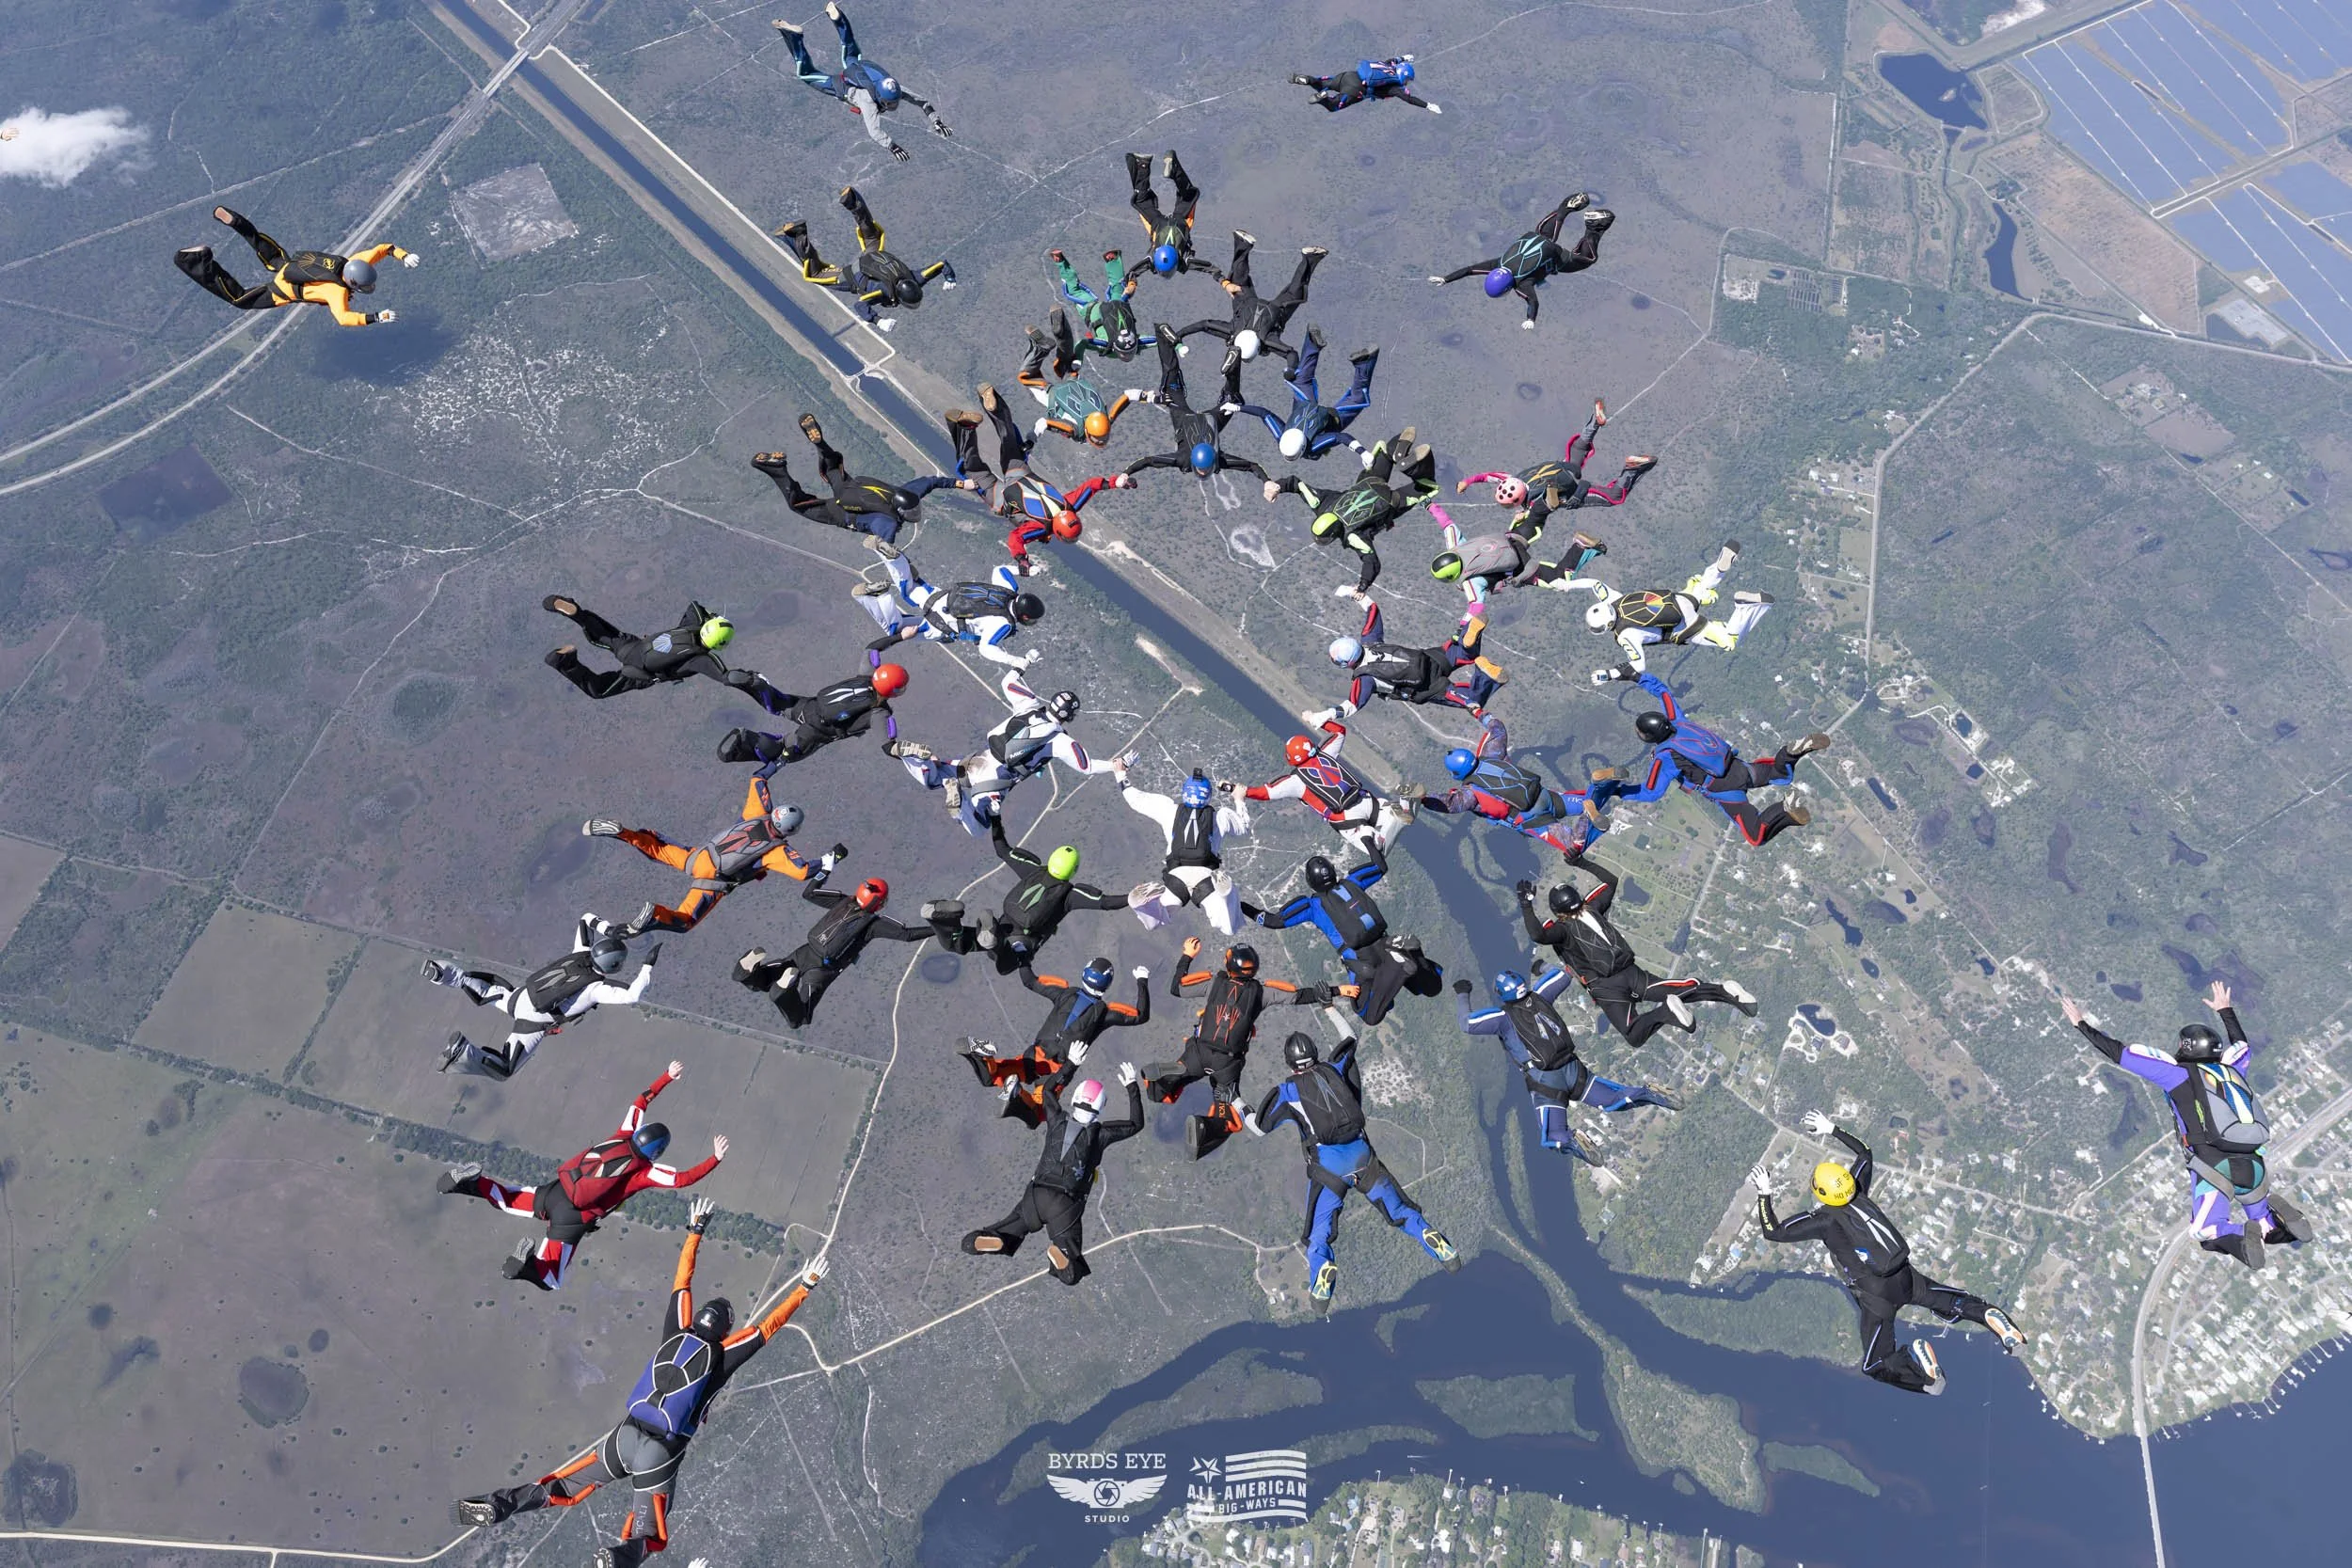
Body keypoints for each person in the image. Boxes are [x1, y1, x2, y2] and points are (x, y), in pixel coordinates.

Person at [453, 1198, 826, 1566]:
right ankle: (616, 1561)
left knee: (564, 1487)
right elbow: (767, 1328)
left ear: (698, 1318)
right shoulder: (722, 1357)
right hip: (658, 1452)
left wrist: (696, 1229)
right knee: (650, 1537)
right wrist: (804, 1287)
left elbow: (683, 1279)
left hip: (624, 1437)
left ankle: (501, 1504)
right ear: (726, 1330)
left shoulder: (675, 1333)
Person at [1751, 1114, 2027, 1394]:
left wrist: (1764, 1193)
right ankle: (1999, 1325)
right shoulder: (1858, 1190)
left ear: (1822, 1193)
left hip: (1876, 1297)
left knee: (1875, 1364)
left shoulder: (1824, 1220)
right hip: (1906, 1277)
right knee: (1954, 1303)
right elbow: (1865, 1153)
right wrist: (1830, 1129)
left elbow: (1773, 1231)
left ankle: (1924, 1374)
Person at [2059, 982, 2313, 1269]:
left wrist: (2081, 1023)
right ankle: (2283, 1226)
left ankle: (2243, 1236)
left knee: (2206, 1231)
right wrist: (2226, 1011)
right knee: (2263, 1227)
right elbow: (2242, 1047)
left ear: (2185, 1048)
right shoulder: (2232, 1070)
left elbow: (2120, 1053)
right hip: (2253, 1166)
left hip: (2214, 1166)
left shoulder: (2176, 1074)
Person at [437, 1063, 724, 1290]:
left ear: (638, 1133)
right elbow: (684, 1179)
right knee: (551, 1279)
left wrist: (667, 1076)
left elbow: (640, 1103)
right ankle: (527, 1266)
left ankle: (470, 1183)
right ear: (657, 1152)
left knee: (508, 1199)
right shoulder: (645, 1171)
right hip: (573, 1218)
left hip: (557, 1190)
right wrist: (715, 1159)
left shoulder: (623, 1134)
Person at [1254, 1034, 1458, 1311]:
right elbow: (1349, 1039)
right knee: (1400, 1212)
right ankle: (1435, 1243)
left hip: (1330, 1169)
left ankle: (1322, 1275)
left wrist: (1233, 1100)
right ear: (1315, 1053)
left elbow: (1258, 1125)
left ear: (1290, 1064)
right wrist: (1329, 1007)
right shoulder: (1333, 1069)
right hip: (1364, 1157)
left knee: (1318, 1236)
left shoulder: (1288, 1091)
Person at [1517, 863, 1757, 1044]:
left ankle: (1665, 1012)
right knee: (1677, 989)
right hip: (1631, 972)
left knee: (1633, 1033)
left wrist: (1526, 905)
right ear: (1577, 898)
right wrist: (1580, 861)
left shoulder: (1562, 930)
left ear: (1557, 911)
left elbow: (1538, 935)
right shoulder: (1593, 908)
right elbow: (1611, 880)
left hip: (1606, 987)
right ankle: (1725, 991)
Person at [1456, 972, 1677, 1167]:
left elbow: (1467, 1023)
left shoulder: (1502, 1018)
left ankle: (1570, 1139)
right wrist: (1540, 966)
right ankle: (1646, 1092)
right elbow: (1564, 974)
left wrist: (1462, 993)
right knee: (1614, 1099)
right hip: (1574, 1069)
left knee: (1553, 1136)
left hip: (1546, 1081)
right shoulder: (1541, 996)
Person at [1146, 938, 1340, 1159]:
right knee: (1225, 1115)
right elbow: (1299, 996)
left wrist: (1187, 955)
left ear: (1229, 965)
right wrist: (1337, 990)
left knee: (1158, 1093)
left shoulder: (1214, 983)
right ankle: (1203, 1131)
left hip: (1198, 1054)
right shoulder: (1262, 993)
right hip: (1226, 1064)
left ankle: (1168, 1078)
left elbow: (1177, 988)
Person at [582, 777, 839, 937]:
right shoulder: (777, 850)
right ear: (791, 830)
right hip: (712, 881)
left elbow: (758, 780)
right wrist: (828, 860)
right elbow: (802, 871)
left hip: (699, 856)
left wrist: (781, 757)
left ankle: (623, 833)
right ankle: (657, 915)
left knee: (657, 848)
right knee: (685, 922)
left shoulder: (758, 812)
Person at [963, 1063, 1144, 1286]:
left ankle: (992, 1239)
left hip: (1036, 1196)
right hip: (1065, 1206)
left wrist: (1071, 1065)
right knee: (1071, 1273)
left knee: (1011, 1226)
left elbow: (1048, 1091)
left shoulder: (1057, 1119)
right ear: (1102, 1105)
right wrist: (1131, 1085)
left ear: (1075, 1098)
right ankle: (1062, 1255)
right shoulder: (1100, 1135)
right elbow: (1136, 1124)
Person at [422, 914, 659, 1081]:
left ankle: (446, 973)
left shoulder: (581, 953)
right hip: (535, 1020)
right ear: (615, 967)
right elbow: (632, 996)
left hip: (523, 996)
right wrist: (647, 966)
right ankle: (463, 1053)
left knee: (489, 991)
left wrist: (611, 930)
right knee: (505, 1069)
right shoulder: (597, 989)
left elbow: (586, 918)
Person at [1606, 672, 1830, 847]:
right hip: (1738, 767)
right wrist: (1636, 677)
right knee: (1778, 774)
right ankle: (1791, 753)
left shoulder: (1665, 757)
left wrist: (1616, 791)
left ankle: (1784, 808)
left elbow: (1651, 792)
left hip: (1724, 789)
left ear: (1650, 738)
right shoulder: (1678, 720)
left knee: (1756, 836)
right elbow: (1662, 691)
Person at [895, 671, 1127, 835]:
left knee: (935, 778)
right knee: (979, 825)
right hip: (996, 780)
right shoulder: (1060, 740)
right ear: (1070, 716)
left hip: (978, 760)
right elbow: (1087, 766)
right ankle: (960, 803)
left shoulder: (1030, 705)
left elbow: (1009, 681)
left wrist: (1023, 663)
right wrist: (1117, 764)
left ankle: (918, 760)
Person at [942, 385, 1136, 573]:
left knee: (1008, 436)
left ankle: (996, 408)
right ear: (1058, 533)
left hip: (1020, 472)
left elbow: (1092, 486)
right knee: (972, 470)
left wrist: (1116, 483)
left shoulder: (1070, 505)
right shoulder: (1041, 528)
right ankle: (967, 427)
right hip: (1001, 498)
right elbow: (1015, 538)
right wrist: (1022, 560)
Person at [1253, 851, 1443, 1027]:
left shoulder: (1312, 905)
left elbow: (1273, 921)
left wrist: (1242, 907)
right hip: (1385, 943)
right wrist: (1368, 839)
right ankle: (1408, 953)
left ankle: (1396, 962)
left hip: (1360, 962)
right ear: (1333, 872)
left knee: (1369, 1014)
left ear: (1311, 881)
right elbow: (1380, 866)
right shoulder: (1353, 882)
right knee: (1433, 988)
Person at [960, 959, 1152, 1125]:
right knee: (1040, 1112)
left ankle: (985, 1058)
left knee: (992, 1078)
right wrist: (1142, 980)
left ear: (1084, 973)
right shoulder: (1104, 1013)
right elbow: (1140, 1016)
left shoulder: (1063, 992)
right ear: (1107, 985)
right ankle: (1016, 1092)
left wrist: (1021, 952)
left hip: (1034, 1056)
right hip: (1057, 1068)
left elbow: (1029, 980)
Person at [928, 819, 1126, 973]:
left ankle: (941, 920)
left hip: (1003, 925)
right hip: (1020, 939)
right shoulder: (1070, 895)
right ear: (1073, 870)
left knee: (958, 944)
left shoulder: (1033, 870)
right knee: (1005, 966)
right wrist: (1133, 897)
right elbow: (1106, 903)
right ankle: (993, 942)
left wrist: (995, 817)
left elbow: (1002, 849)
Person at [735, 876, 931, 1028]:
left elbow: (809, 893)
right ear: (878, 903)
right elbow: (907, 935)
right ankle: (783, 991)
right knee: (800, 1018)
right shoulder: (873, 924)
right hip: (821, 970)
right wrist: (937, 928)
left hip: (803, 952)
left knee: (765, 979)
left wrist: (827, 867)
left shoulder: (843, 902)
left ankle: (748, 972)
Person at [1568, 540, 1773, 686]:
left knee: (1730, 640)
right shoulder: (1613, 600)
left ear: (1605, 627)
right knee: (1701, 585)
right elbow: (1593, 583)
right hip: (1677, 600)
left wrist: (1609, 675)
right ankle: (1719, 568)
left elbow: (1638, 666)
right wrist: (1566, 585)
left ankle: (1743, 606)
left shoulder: (1626, 635)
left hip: (1686, 626)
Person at [174, 205, 417, 326]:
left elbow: (384, 248)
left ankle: (234, 220)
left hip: (289, 264)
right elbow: (344, 319)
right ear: (353, 282)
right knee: (239, 299)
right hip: (281, 290)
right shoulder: (337, 292)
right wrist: (376, 317)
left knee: (257, 239)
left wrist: (403, 255)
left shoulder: (356, 260)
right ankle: (193, 260)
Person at [1266, 429, 1438, 594]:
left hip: (1391, 502)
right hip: (1369, 481)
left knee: (1426, 487)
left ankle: (1412, 467)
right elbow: (1297, 484)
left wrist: (1362, 586)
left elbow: (1372, 562)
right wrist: (1278, 487)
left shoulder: (1351, 536)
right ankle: (1398, 453)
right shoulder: (1321, 504)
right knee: (1385, 452)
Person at [1419, 713, 1612, 861]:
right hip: (1546, 796)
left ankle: (1587, 816)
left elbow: (1449, 804)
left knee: (1574, 845)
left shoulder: (1470, 793)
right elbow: (1499, 730)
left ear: (1456, 773)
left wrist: (1423, 799)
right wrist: (1481, 714)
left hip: (1532, 819)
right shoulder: (1492, 754)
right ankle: (1598, 785)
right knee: (1592, 800)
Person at [773, 4, 949, 162]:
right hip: (842, 86)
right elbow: (874, 132)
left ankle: (838, 18)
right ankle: (795, 37)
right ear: (880, 97)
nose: (894, 105)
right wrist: (892, 146)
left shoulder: (893, 88)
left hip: (858, 67)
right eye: (890, 103)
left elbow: (922, 102)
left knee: (849, 46)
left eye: (894, 101)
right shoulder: (869, 103)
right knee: (806, 74)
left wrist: (936, 120)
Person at [1457, 398, 1654, 540]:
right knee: (1578, 448)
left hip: (1573, 491)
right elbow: (1487, 476)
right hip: (1564, 468)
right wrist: (1467, 482)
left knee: (1614, 496)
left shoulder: (1534, 502)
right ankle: (1594, 422)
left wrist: (1520, 518)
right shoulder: (1511, 478)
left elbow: (1535, 516)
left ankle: (1631, 468)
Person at [750, 414, 957, 545]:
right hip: (839, 513)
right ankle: (777, 469)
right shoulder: (888, 523)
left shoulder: (905, 493)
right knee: (798, 504)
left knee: (832, 469)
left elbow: (931, 482)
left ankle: (821, 445)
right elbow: (886, 544)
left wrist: (960, 483)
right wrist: (892, 554)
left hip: (851, 489)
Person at [541, 595, 780, 705]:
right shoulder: (700, 659)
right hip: (637, 672)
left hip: (634, 646)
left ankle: (577, 612)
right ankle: (564, 662)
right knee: (599, 691)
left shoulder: (692, 626)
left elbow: (694, 606)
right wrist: (752, 679)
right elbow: (726, 677)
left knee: (605, 635)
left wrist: (711, 617)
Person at [772, 185, 954, 328]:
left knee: (871, 233)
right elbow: (860, 305)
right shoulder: (883, 291)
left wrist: (949, 276)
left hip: (874, 255)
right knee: (816, 274)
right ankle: (796, 234)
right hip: (854, 276)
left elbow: (939, 265)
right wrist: (877, 321)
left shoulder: (916, 278)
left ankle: (851, 198)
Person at [1310, 592, 1504, 722]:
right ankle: (1468, 639)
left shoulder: (1365, 679)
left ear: (1346, 664)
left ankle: (1485, 675)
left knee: (1473, 700)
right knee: (1461, 653)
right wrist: (1355, 593)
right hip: (1430, 659)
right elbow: (1373, 611)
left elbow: (1351, 706)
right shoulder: (1371, 641)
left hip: (1427, 688)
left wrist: (1321, 716)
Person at [853, 539, 1042, 672]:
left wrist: (1026, 571)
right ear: (1024, 616)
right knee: (896, 632)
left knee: (909, 587)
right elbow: (986, 648)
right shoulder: (1004, 624)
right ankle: (879, 597)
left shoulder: (1008, 591)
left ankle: (894, 559)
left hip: (942, 596)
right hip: (941, 624)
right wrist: (1014, 661)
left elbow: (999, 570)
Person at [1430, 192, 1613, 327]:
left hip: (1556, 257)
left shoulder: (1522, 283)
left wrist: (1530, 320)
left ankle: (1594, 226)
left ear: (1508, 287)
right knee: (1561, 211)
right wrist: (1445, 279)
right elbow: (1469, 270)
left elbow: (1533, 302)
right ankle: (1571, 208)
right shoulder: (1497, 264)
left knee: (1587, 259)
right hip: (1539, 232)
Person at [1241, 720, 1414, 859]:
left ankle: (1372, 835)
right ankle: (1396, 807)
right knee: (1384, 811)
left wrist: (1243, 792)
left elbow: (1266, 793)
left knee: (1378, 849)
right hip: (1366, 800)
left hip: (1347, 819)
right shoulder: (1325, 752)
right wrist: (1317, 719)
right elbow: (1339, 731)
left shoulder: (1296, 780)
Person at [1114, 763, 1251, 934]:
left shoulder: (1168, 810)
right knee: (1228, 927)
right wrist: (1239, 799)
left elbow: (1136, 800)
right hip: (1206, 875)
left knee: (1157, 921)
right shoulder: (1220, 817)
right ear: (1207, 796)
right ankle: (1225, 895)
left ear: (1185, 792)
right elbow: (1243, 827)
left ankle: (1145, 904)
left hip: (1176, 874)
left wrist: (1120, 774)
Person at [715, 658, 909, 773]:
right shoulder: (880, 712)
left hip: (808, 707)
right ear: (896, 692)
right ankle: (745, 740)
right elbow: (888, 747)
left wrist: (901, 635)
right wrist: (916, 757)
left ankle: (756, 685)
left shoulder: (865, 676)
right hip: (815, 732)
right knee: (782, 751)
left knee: (779, 704)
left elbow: (872, 648)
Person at [1123, 333, 1269, 484]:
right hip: (1193, 418)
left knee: (1233, 401)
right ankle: (1164, 336)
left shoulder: (1190, 459)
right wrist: (1126, 473)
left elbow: (1149, 461)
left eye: (1203, 470)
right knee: (1174, 385)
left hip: (1197, 419)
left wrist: (1126, 473)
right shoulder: (1204, 459)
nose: (1204, 472)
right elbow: (1251, 466)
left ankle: (1234, 360)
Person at [1175, 231, 1326, 367]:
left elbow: (1291, 354)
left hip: (1276, 310)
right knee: (1237, 281)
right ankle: (1242, 243)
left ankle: (1311, 258)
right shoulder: (1232, 332)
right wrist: (1179, 335)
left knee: (1295, 294)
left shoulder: (1267, 341)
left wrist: (1291, 371)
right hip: (1247, 302)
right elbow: (1204, 325)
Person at [1230, 327, 1378, 465]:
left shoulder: (1313, 447)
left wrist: (1363, 453)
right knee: (1302, 379)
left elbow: (1341, 438)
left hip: (1333, 419)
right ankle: (1312, 343)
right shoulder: (1281, 435)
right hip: (1304, 403)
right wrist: (1237, 408)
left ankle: (1364, 363)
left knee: (1358, 398)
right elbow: (1264, 414)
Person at [1429, 502, 1605, 610]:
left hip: (1522, 569)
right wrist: (1429, 505)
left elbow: (1476, 606)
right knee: (1531, 526)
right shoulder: (1455, 546)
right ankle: (1541, 505)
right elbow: (1447, 523)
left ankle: (1580, 547)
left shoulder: (1470, 583)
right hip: (1511, 541)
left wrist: (1464, 628)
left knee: (1562, 581)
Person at [1017, 325, 1137, 449]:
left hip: (1075, 381)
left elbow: (1129, 395)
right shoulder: (1074, 429)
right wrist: (1030, 442)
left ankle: (1063, 333)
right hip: (1054, 396)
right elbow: (1043, 423)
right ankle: (1041, 348)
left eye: (1101, 438)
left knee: (1066, 363)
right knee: (1026, 376)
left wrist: (1152, 397)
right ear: (1086, 431)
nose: (1100, 441)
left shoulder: (1107, 418)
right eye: (1099, 438)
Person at [1047, 248, 1158, 366]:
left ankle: (1113, 260)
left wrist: (1178, 346)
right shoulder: (1106, 344)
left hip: (1118, 304)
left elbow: (1160, 340)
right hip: (1093, 310)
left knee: (1118, 285)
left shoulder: (1138, 342)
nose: (1127, 356)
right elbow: (1083, 343)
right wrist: (1078, 360)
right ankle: (1060, 261)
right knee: (1074, 292)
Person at [1127, 150, 1220, 280]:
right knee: (1141, 201)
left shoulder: (1184, 260)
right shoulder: (1153, 258)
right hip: (1157, 224)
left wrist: (1222, 280)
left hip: (1182, 221)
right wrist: (1130, 282)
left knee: (1189, 195)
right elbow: (1135, 271)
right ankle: (1143, 164)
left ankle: (1174, 168)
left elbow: (1206, 267)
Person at [1288, 56, 1440, 115]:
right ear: (1403, 76)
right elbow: (1409, 99)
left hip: (1348, 76)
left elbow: (1393, 59)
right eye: (1407, 80)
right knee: (1333, 106)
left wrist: (1404, 58)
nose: (1406, 83)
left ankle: (1305, 79)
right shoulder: (1394, 87)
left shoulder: (1388, 67)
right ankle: (1323, 99)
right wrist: (1428, 105)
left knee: (1321, 83)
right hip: (1356, 90)